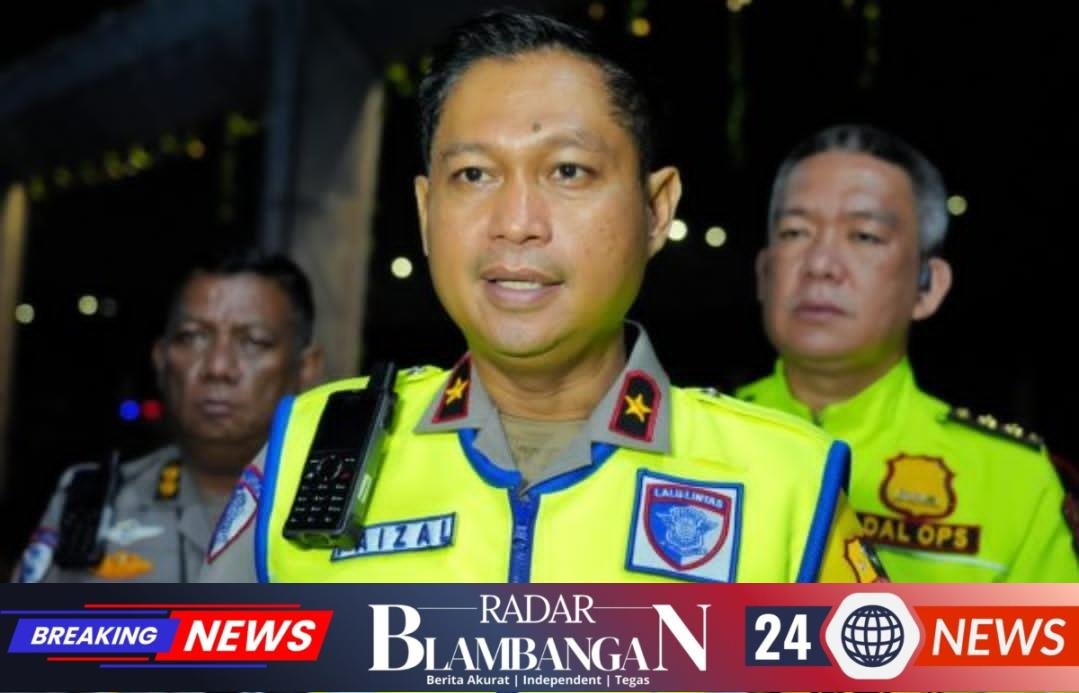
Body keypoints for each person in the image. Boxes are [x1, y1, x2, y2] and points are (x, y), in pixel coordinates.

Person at [202, 10, 881, 584]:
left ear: (655, 209)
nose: (516, 221)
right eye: (474, 174)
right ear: (426, 211)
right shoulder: (303, 455)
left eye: (568, 171)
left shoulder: (789, 486)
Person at [738, 123, 1079, 581]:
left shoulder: (1013, 479)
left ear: (928, 286)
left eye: (864, 236)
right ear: (764, 273)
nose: (820, 265)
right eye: (795, 232)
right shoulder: (685, 440)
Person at [12, 250, 323, 582]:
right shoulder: (92, 502)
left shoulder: (339, 508)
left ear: (307, 368)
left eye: (253, 342)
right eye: (192, 337)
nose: (218, 367)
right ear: (160, 358)